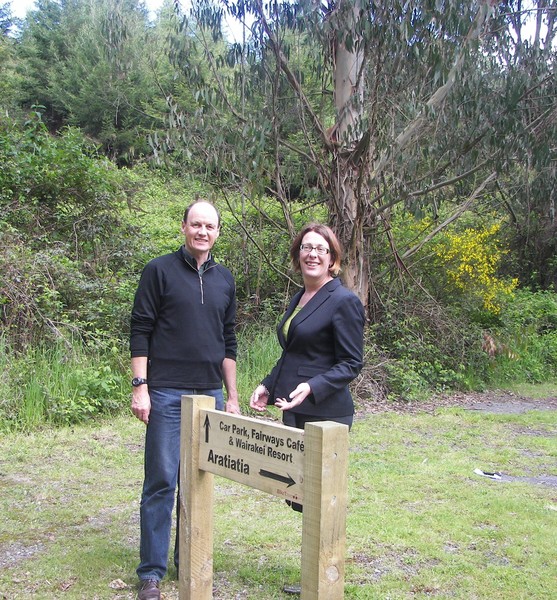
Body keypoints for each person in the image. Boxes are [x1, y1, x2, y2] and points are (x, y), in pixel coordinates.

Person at [130, 200, 240, 600]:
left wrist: (232, 396)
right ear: (183, 227)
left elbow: (228, 341)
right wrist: (140, 386)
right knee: (161, 481)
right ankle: (152, 573)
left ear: (217, 232)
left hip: (209, 394)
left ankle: (187, 559)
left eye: (209, 226)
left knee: (197, 483)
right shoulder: (158, 271)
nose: (202, 232)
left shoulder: (225, 279)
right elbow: (140, 328)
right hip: (166, 392)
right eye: (196, 224)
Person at [249, 221, 365, 461]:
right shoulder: (301, 297)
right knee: (294, 494)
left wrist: (312, 386)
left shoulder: (343, 301)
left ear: (332, 258)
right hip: (293, 408)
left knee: (316, 495)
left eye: (321, 249)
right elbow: (294, 352)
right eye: (306, 248)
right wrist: (268, 385)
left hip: (326, 414)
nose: (313, 254)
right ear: (298, 254)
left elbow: (351, 363)